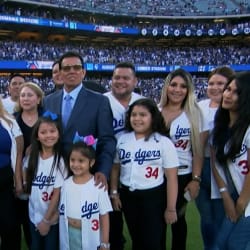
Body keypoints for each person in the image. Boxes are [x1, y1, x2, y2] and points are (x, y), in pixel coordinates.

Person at [110, 98, 179, 250]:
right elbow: (115, 168)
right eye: (134, 115)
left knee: (152, 242)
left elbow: (172, 177)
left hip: (154, 197)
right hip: (128, 196)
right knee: (137, 239)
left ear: (153, 117)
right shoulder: (123, 139)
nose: (137, 119)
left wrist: (171, 208)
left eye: (143, 115)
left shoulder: (163, 142)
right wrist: (114, 192)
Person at [44, 51, 116, 188]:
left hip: (87, 174)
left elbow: (107, 140)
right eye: (66, 68)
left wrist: (103, 170)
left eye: (76, 68)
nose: (72, 71)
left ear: (83, 72)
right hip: (53, 174)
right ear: (60, 73)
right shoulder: (48, 101)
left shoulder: (100, 101)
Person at [159, 68, 208, 250]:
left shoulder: (195, 114)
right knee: (158, 222)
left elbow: (198, 151)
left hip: (182, 175)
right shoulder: (155, 111)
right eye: (173, 85)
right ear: (166, 87)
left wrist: (195, 179)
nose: (177, 90)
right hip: (157, 176)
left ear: (189, 90)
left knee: (179, 219)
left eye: (183, 86)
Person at [104, 62, 144, 250]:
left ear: (135, 81)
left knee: (139, 227)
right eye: (116, 77)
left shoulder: (143, 102)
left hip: (136, 172)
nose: (120, 81)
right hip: (106, 170)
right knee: (112, 227)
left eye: (125, 78)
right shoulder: (101, 101)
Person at [196, 66, 235, 250]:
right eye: (211, 83)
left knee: (223, 218)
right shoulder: (199, 107)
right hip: (201, 167)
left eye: (221, 83)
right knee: (206, 220)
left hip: (225, 169)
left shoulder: (235, 109)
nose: (214, 87)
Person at [211, 71, 250, 250]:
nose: (227, 95)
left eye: (235, 92)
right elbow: (216, 165)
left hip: (246, 197)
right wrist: (225, 195)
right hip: (233, 194)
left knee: (236, 244)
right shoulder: (219, 127)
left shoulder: (248, 128)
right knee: (220, 244)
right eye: (228, 89)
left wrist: (242, 200)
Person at [59, 134, 112, 250]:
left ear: (91, 162)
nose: (76, 164)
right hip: (69, 234)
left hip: (90, 234)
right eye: (72, 160)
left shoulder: (98, 185)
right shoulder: (66, 184)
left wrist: (105, 242)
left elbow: (104, 216)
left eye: (81, 161)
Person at [23, 112, 67, 250]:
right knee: (35, 246)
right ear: (37, 136)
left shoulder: (60, 161)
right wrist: (25, 184)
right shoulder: (32, 157)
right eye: (43, 132)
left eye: (52, 131)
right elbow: (24, 169)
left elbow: (57, 193)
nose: (48, 135)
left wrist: (47, 220)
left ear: (59, 133)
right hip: (33, 213)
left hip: (51, 217)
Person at [14, 81, 45, 249]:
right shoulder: (12, 121)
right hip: (21, 178)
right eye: (22, 95)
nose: (25, 99)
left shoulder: (48, 118)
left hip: (45, 179)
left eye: (30, 95)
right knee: (25, 222)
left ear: (39, 99)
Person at [0, 96, 24, 250]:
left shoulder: (9, 121)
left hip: (5, 181)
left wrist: (18, 181)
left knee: (9, 226)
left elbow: (19, 152)